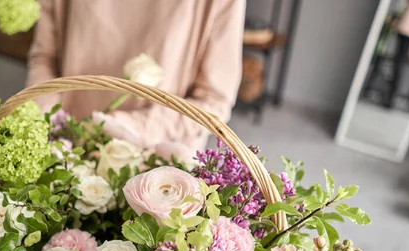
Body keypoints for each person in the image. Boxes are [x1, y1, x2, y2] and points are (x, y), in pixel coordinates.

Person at [26, 0, 245, 155]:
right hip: (63, 145)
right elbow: (44, 57)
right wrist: (46, 115)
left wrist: (126, 127)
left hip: (155, 173)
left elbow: (213, 102)